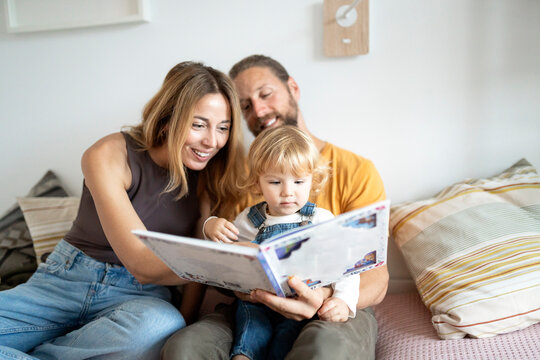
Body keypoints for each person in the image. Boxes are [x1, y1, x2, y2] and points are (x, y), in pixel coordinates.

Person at [0, 61, 247, 359]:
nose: (212, 141)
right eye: (198, 125)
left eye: (223, 128)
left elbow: (193, 264)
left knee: (159, 326)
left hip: (141, 300)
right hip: (64, 283)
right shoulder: (107, 154)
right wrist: (229, 264)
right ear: (168, 118)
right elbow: (141, 264)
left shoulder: (209, 174)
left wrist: (185, 322)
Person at [162, 55, 388, 360]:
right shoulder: (239, 179)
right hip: (255, 308)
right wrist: (240, 287)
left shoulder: (355, 170)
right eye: (245, 105)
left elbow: (374, 274)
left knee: (324, 351)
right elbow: (225, 258)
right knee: (185, 349)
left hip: (333, 305)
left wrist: (324, 298)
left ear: (292, 88)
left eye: (265, 94)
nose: (258, 110)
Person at [205, 126, 360, 360]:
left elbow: (348, 265)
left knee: (285, 343)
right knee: (249, 334)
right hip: (256, 302)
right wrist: (211, 226)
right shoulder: (249, 219)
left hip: (299, 304)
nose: (288, 192)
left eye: (298, 181)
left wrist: (343, 301)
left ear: (312, 180)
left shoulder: (320, 220)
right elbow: (226, 254)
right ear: (257, 184)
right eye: (275, 182)